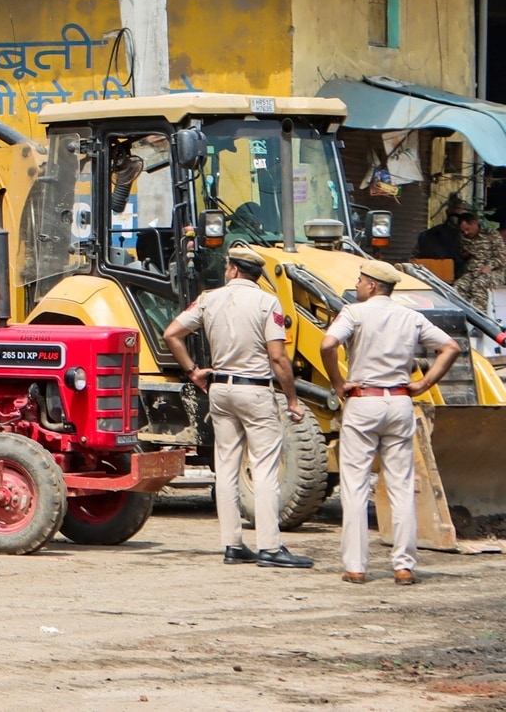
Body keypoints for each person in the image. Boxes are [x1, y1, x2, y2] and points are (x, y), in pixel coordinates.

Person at [164, 245, 314, 569]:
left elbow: (172, 333)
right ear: (256, 273)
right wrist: (291, 398)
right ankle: (270, 547)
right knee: (264, 467)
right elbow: (278, 357)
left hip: (219, 390)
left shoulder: (208, 299)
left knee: (227, 467)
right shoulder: (267, 302)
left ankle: (233, 544)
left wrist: (192, 370)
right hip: (255, 391)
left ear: (232, 269)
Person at [319, 259, 461, 586]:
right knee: (400, 486)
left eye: (359, 281)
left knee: (355, 485)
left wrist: (338, 381)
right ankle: (404, 566)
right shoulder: (411, 316)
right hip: (399, 401)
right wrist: (424, 384)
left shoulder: (354, 313)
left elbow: (328, 343)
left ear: (370, 286)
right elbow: (449, 347)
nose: (356, 286)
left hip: (363, 401)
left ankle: (356, 566)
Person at [451, 212, 506, 309]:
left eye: (468, 229)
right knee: (458, 286)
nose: (466, 233)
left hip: (494, 272)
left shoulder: (491, 234)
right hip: (473, 272)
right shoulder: (464, 237)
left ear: (474, 223)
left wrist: (489, 266)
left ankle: (479, 316)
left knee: (479, 285)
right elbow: (462, 253)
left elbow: (502, 256)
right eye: (463, 231)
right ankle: (464, 313)